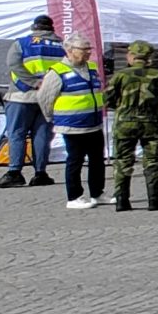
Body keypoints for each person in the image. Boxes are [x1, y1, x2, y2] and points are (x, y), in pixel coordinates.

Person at [35, 37, 108, 209]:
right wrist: (52, 117)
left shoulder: (91, 68)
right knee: (75, 160)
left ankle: (98, 193)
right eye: (84, 49)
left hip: (94, 122)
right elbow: (44, 97)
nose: (88, 52)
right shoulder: (57, 72)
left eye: (88, 48)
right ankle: (74, 196)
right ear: (69, 50)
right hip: (72, 124)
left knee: (97, 159)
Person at [103, 40, 158, 212]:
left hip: (125, 123)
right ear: (148, 58)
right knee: (153, 162)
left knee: (122, 161)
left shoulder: (120, 76)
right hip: (151, 123)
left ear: (131, 56)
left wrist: (122, 106)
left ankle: (122, 200)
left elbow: (107, 100)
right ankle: (154, 199)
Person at [0, 12, 65, 188]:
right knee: (42, 135)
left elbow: (14, 65)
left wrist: (33, 82)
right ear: (51, 28)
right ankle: (40, 173)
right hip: (49, 97)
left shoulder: (21, 43)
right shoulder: (63, 46)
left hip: (21, 95)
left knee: (17, 133)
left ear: (34, 28)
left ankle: (14, 172)